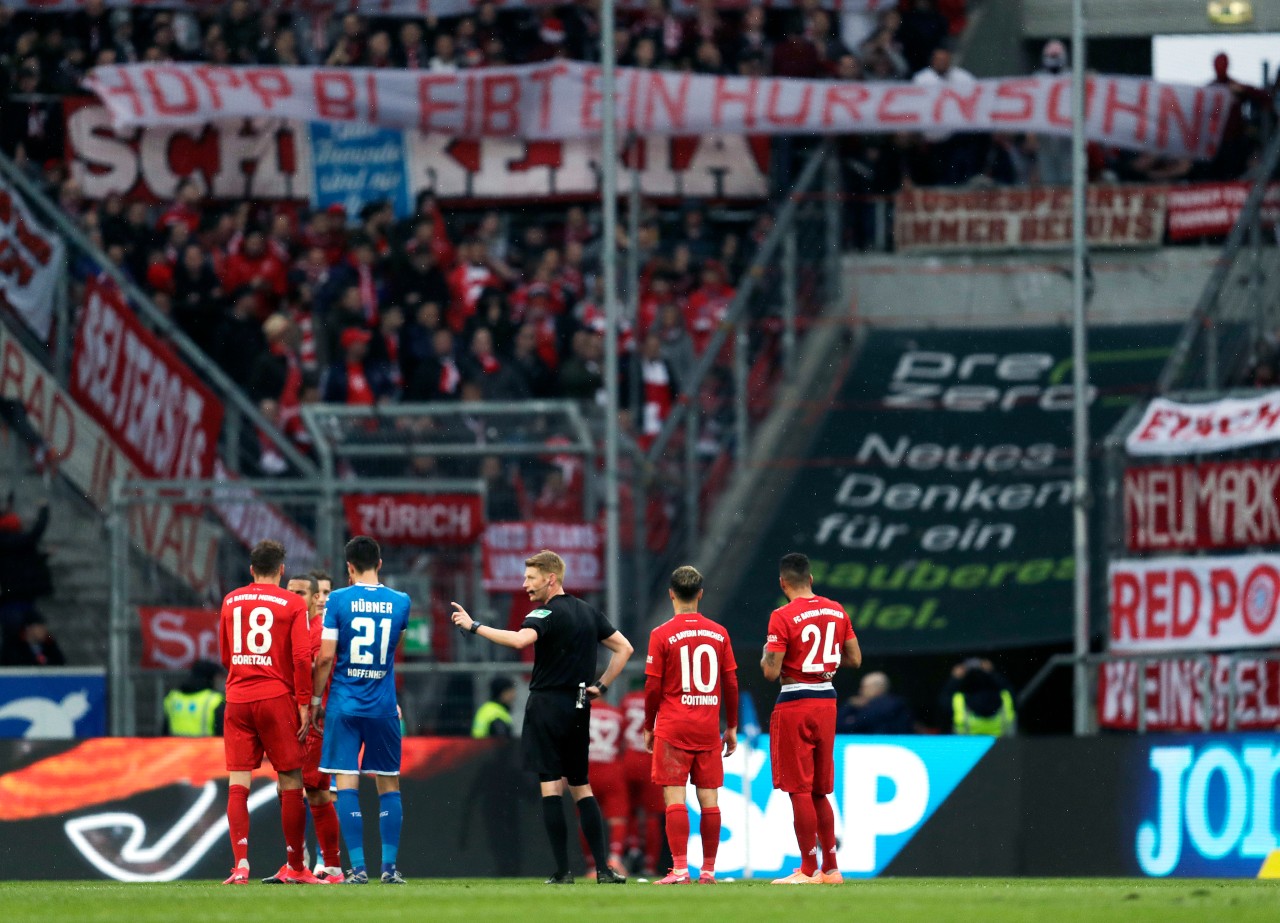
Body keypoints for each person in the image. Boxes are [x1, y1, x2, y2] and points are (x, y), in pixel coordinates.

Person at [450, 549, 634, 885]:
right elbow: (625, 648)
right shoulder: (588, 612)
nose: (525, 585)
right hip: (579, 705)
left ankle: (563, 871)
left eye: (531, 578)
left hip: (547, 706)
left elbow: (520, 641)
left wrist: (475, 626)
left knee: (551, 788)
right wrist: (602, 686)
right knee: (582, 787)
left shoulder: (544, 614)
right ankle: (605, 869)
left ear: (550, 579)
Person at [218, 540, 322, 885]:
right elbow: (299, 657)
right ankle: (295, 865)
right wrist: (304, 702)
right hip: (276, 698)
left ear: (251, 570)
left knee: (238, 781)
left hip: (238, 697)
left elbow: (225, 653)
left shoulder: (231, 600)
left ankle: (240, 865)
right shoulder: (292, 603)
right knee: (291, 779)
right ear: (281, 570)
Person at [311, 536, 411, 884]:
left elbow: (325, 657)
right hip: (383, 705)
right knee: (389, 784)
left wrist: (314, 700)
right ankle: (389, 868)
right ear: (380, 564)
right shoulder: (401, 601)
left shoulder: (337, 600)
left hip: (344, 704)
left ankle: (358, 869)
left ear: (349, 567)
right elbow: (393, 647)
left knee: (346, 783)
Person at [761, 552, 861, 885]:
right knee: (820, 790)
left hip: (796, 701)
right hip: (827, 701)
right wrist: (822, 664)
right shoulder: (836, 609)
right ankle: (831, 869)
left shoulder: (782, 616)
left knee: (799, 789)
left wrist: (775, 656)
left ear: (782, 583)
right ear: (812, 579)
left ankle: (806, 869)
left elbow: (770, 670)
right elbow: (855, 659)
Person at [644, 565, 738, 885]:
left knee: (675, 799)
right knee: (709, 800)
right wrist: (733, 726)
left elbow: (652, 688)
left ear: (671, 593)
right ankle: (708, 870)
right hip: (708, 728)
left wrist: (648, 725)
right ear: (700, 594)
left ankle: (681, 869)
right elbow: (731, 682)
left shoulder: (661, 634)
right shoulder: (720, 633)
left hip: (673, 727)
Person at [262, 574, 344, 884]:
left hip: (313, 719)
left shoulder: (317, 631)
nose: (293, 597)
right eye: (290, 591)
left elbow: (315, 669)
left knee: (305, 788)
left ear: (313, 599)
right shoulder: (295, 627)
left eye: (300, 592)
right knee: (306, 790)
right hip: (297, 718)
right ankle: (317, 865)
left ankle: (305, 864)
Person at [621, 679, 664, 876]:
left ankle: (633, 846)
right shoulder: (660, 699)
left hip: (629, 758)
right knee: (652, 815)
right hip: (651, 759)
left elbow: (619, 731)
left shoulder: (628, 700)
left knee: (628, 810)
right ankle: (649, 864)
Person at [583, 696, 629, 879]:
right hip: (612, 768)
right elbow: (625, 743)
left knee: (585, 817)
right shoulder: (616, 713)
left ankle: (592, 865)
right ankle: (615, 860)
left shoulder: (581, 712)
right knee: (617, 818)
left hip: (587, 769)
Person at [942, 659, 1016, 736]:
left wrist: (955, 679)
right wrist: (992, 673)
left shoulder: (959, 701)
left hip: (968, 746)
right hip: (1002, 745)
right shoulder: (1005, 698)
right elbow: (1010, 690)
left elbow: (943, 701)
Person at [836, 672, 914, 734]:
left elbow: (854, 723)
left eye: (864, 687)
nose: (860, 691)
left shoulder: (892, 704)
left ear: (876, 688)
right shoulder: (865, 706)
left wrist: (850, 708)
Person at [163, 660, 225, 737]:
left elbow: (164, 731)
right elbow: (222, 736)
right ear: (210, 678)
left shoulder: (172, 698)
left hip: (175, 748)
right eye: (218, 678)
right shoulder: (215, 701)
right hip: (205, 749)